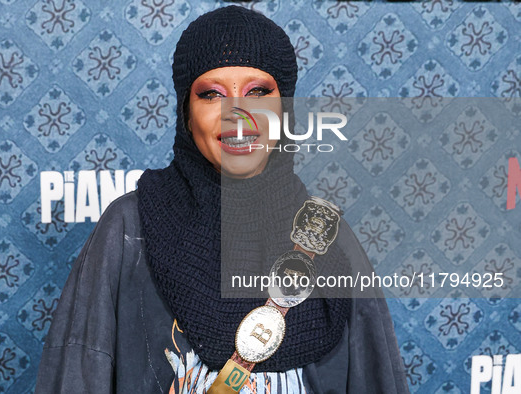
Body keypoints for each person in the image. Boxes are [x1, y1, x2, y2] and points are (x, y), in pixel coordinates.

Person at [35, 5, 409, 393]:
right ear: (186, 112)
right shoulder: (129, 229)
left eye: (258, 92)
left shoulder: (326, 238)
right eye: (212, 94)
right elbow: (76, 377)